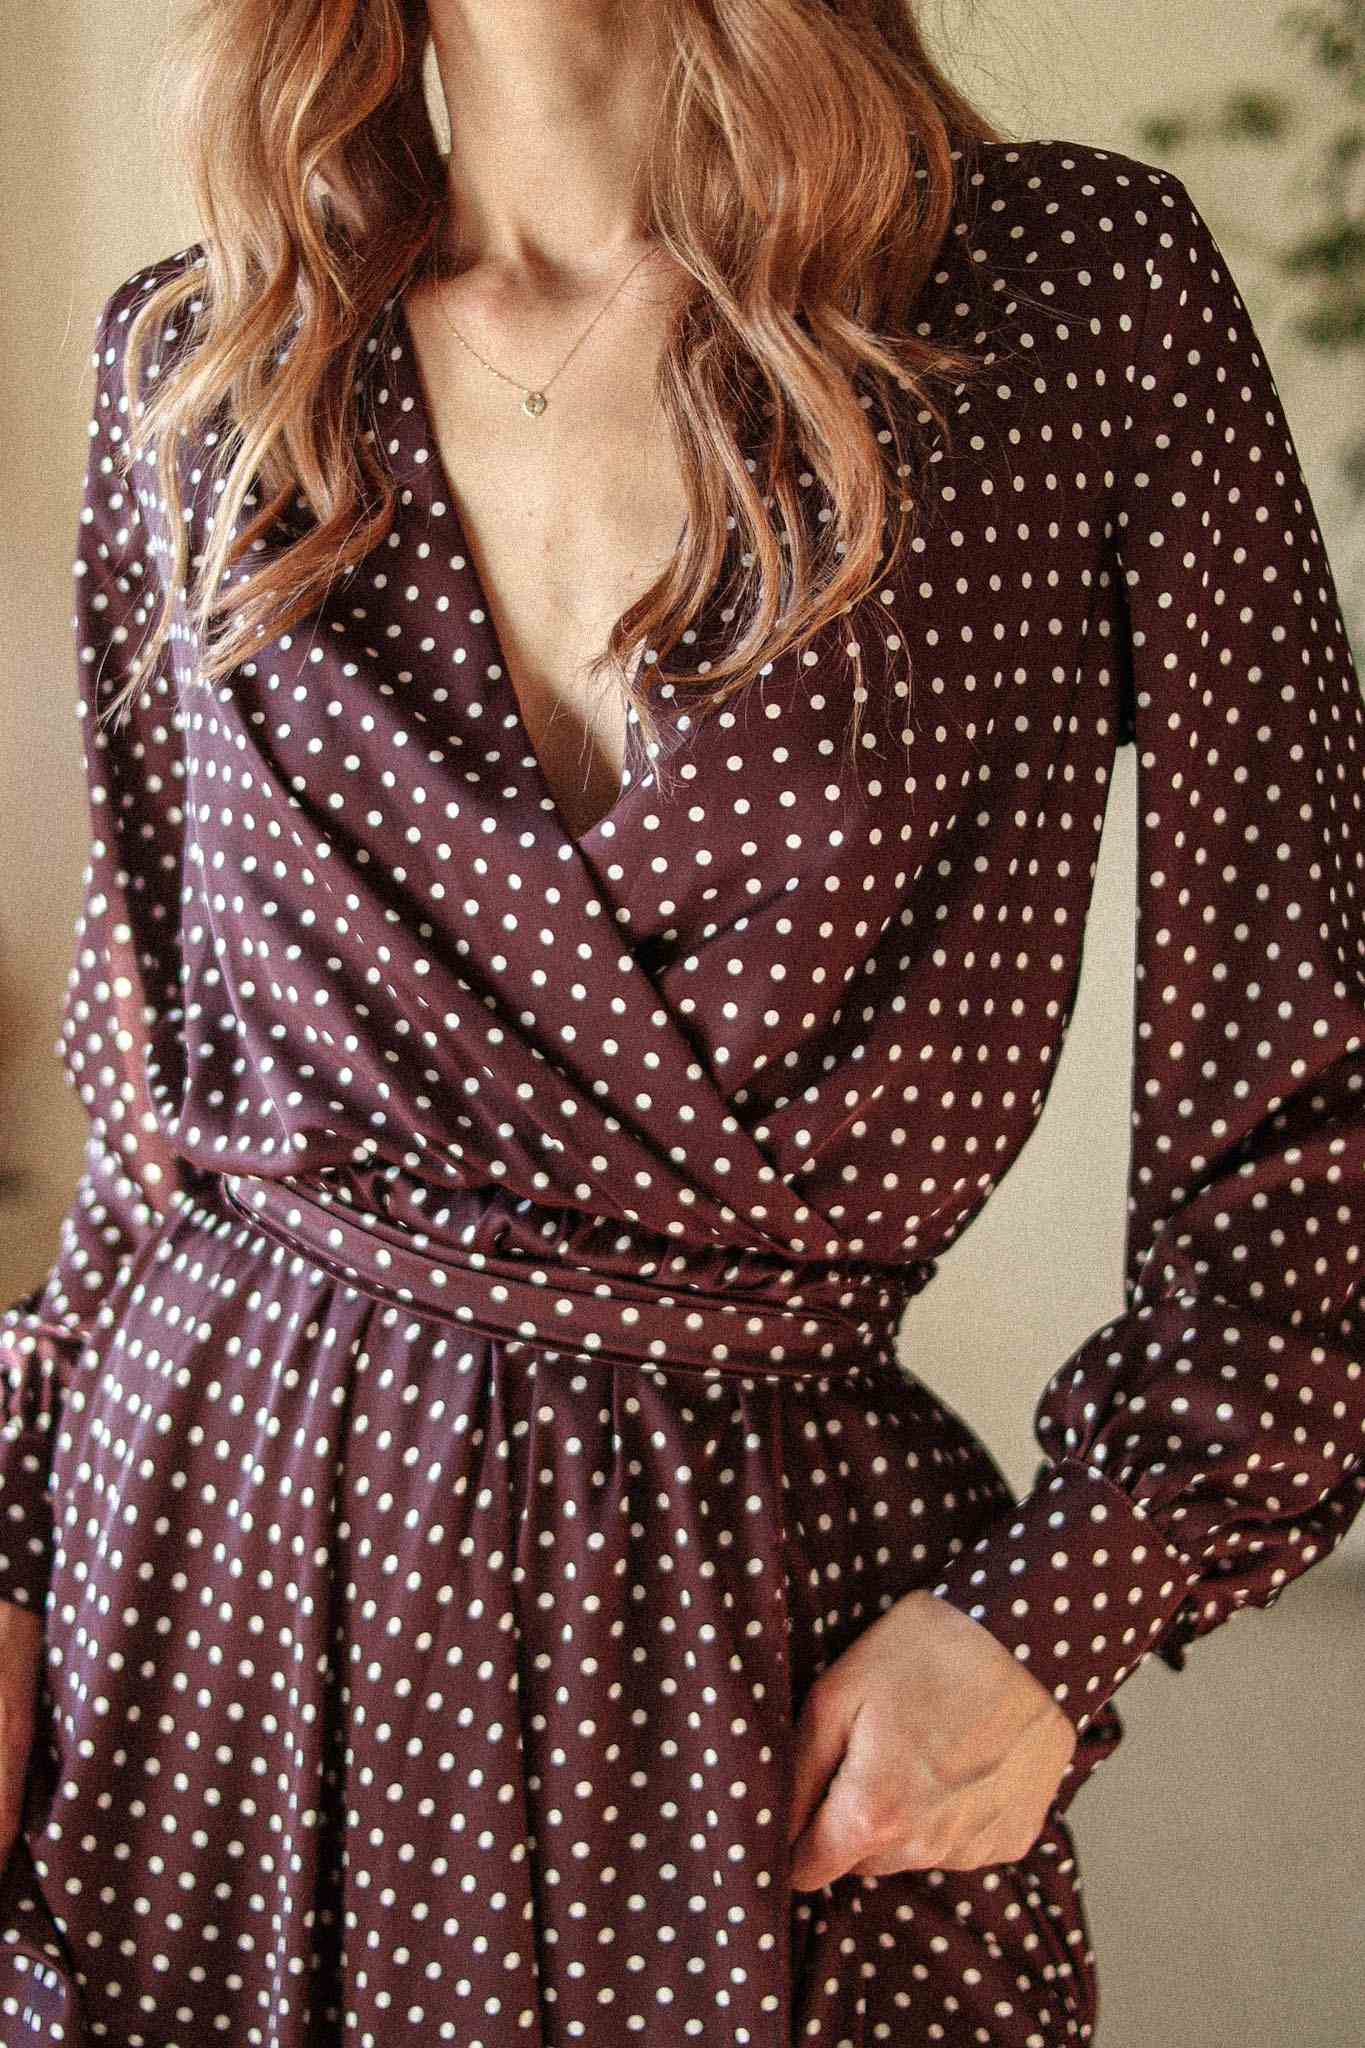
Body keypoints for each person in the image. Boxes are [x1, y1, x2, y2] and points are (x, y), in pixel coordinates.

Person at [1, 3, 1361, 2042]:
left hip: (753, 1633)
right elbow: (147, 1113)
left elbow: (1309, 1055)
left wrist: (1058, 1608)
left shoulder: (1068, 301)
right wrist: (11, 1547)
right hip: (205, 1586)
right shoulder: (202, 359)